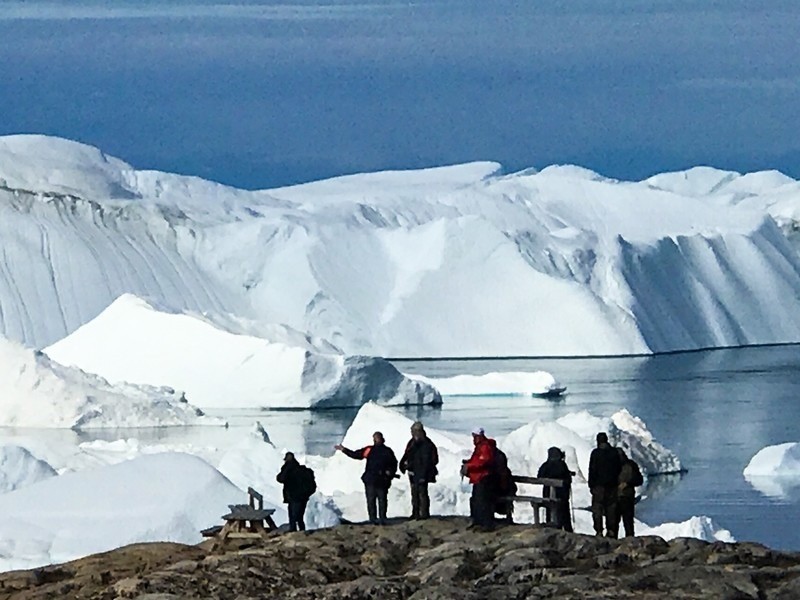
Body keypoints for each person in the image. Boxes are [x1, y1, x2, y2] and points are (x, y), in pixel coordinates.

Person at [335, 432, 398, 525]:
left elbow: (394, 464)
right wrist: (344, 450)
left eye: (378, 438)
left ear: (382, 439)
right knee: (371, 500)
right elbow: (356, 455)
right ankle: (372, 519)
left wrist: (390, 472)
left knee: (382, 500)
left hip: (382, 480)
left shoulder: (388, 451)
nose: (376, 439)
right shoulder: (369, 450)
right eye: (375, 438)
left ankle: (382, 519)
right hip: (370, 480)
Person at [399, 421, 439, 520]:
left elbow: (433, 460)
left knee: (422, 493)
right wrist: (403, 465)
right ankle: (415, 513)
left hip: (423, 473)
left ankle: (424, 513)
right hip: (413, 472)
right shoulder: (412, 443)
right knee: (414, 493)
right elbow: (407, 454)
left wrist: (425, 473)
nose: (413, 433)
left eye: (414, 431)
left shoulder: (427, 444)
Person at [461, 426, 497, 530]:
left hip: (483, 478)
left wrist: (469, 466)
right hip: (478, 478)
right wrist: (468, 463)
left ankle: (487, 524)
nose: (473, 439)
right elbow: (478, 460)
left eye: (474, 436)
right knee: (475, 500)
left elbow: (483, 461)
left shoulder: (485, 447)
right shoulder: (480, 447)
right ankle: (478, 520)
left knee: (483, 501)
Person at [588, 432, 622, 537]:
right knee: (611, 509)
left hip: (598, 486)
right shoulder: (614, 453)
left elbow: (592, 470)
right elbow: (618, 468)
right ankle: (611, 530)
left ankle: (599, 531)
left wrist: (591, 485)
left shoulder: (595, 453)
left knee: (597, 508)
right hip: (612, 486)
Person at [276, 452, 316, 532]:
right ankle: (302, 532)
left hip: (293, 496)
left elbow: (280, 479)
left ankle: (293, 532)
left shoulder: (288, 470)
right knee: (300, 517)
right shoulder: (302, 470)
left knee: (293, 517)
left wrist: (285, 467)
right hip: (303, 497)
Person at [537, 446, 574, 532]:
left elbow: (539, 477)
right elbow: (567, 479)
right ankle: (566, 528)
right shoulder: (562, 465)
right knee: (564, 512)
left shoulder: (545, 465)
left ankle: (550, 525)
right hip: (562, 495)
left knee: (549, 509)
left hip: (547, 495)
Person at [616, 447, 644, 538]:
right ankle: (630, 541)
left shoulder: (611, 465)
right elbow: (639, 480)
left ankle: (613, 542)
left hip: (616, 497)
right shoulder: (631, 464)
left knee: (614, 523)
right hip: (627, 497)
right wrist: (628, 483)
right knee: (628, 522)